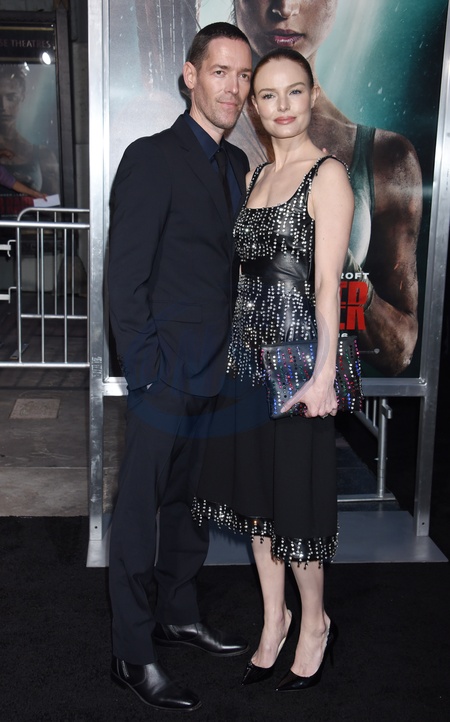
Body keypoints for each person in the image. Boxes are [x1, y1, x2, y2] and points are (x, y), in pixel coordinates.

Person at [192, 48, 354, 691]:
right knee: (258, 504)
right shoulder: (257, 174)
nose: (281, 106)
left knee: (296, 507)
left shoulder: (328, 176)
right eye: (267, 95)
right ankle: (274, 619)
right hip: (246, 366)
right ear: (254, 108)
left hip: (296, 370)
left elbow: (327, 286)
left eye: (293, 92)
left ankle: (315, 622)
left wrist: (323, 376)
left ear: (312, 96)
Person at [107, 22, 253, 712]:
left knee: (189, 507)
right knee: (139, 513)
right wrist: (146, 370)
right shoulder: (151, 158)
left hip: (216, 373)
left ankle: (179, 613)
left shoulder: (236, 164)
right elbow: (124, 279)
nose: (234, 87)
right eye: (220, 72)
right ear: (190, 76)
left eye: (243, 75)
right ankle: (132, 654)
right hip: (164, 373)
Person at [229, 0, 421, 377]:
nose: (285, 7)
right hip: (228, 389)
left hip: (315, 388)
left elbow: (399, 350)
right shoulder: (204, 145)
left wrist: (339, 265)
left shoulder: (384, 158)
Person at [0, 65, 59, 196]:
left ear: (22, 97)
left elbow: (53, 201)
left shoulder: (43, 155)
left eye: (11, 97)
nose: (3, 106)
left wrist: (35, 194)